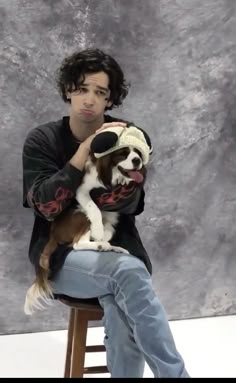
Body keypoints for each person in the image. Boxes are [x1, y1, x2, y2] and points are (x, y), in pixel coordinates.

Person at [22, 48, 189, 378]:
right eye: (82, 89)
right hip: (59, 257)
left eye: (100, 92)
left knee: (121, 293)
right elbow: (46, 206)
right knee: (127, 276)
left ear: (110, 99)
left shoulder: (129, 139)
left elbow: (128, 204)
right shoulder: (42, 140)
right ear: (69, 90)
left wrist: (113, 154)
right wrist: (83, 154)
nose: (89, 100)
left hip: (118, 249)